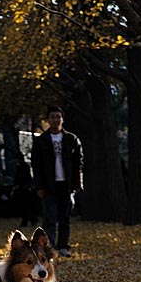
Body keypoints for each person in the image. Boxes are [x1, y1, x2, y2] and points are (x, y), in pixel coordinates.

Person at [31, 105, 84, 257]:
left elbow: (78, 162)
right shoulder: (41, 141)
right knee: (49, 218)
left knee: (65, 218)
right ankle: (50, 248)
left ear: (62, 119)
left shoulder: (71, 139)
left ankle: (63, 246)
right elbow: (36, 164)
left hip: (66, 184)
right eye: (52, 117)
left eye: (58, 116)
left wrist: (77, 183)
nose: (55, 120)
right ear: (48, 120)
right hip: (49, 185)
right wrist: (39, 186)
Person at [11, 153, 39, 227]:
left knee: (25, 206)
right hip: (25, 188)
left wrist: (15, 186)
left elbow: (19, 178)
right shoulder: (25, 166)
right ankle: (31, 220)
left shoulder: (20, 167)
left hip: (23, 188)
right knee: (28, 206)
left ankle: (27, 220)